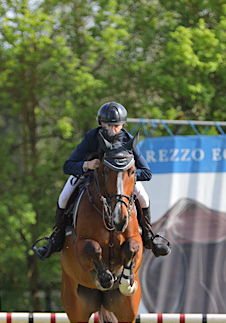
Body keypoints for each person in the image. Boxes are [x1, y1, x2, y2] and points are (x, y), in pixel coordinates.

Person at [32, 102, 170, 260]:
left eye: (116, 125)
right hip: (89, 176)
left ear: (122, 124)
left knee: (144, 199)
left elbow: (146, 172)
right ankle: (55, 240)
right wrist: (87, 165)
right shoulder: (91, 137)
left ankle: (149, 237)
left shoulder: (128, 140)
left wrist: (124, 174)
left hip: (121, 180)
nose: (112, 129)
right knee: (64, 197)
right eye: (107, 124)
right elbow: (68, 166)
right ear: (101, 123)